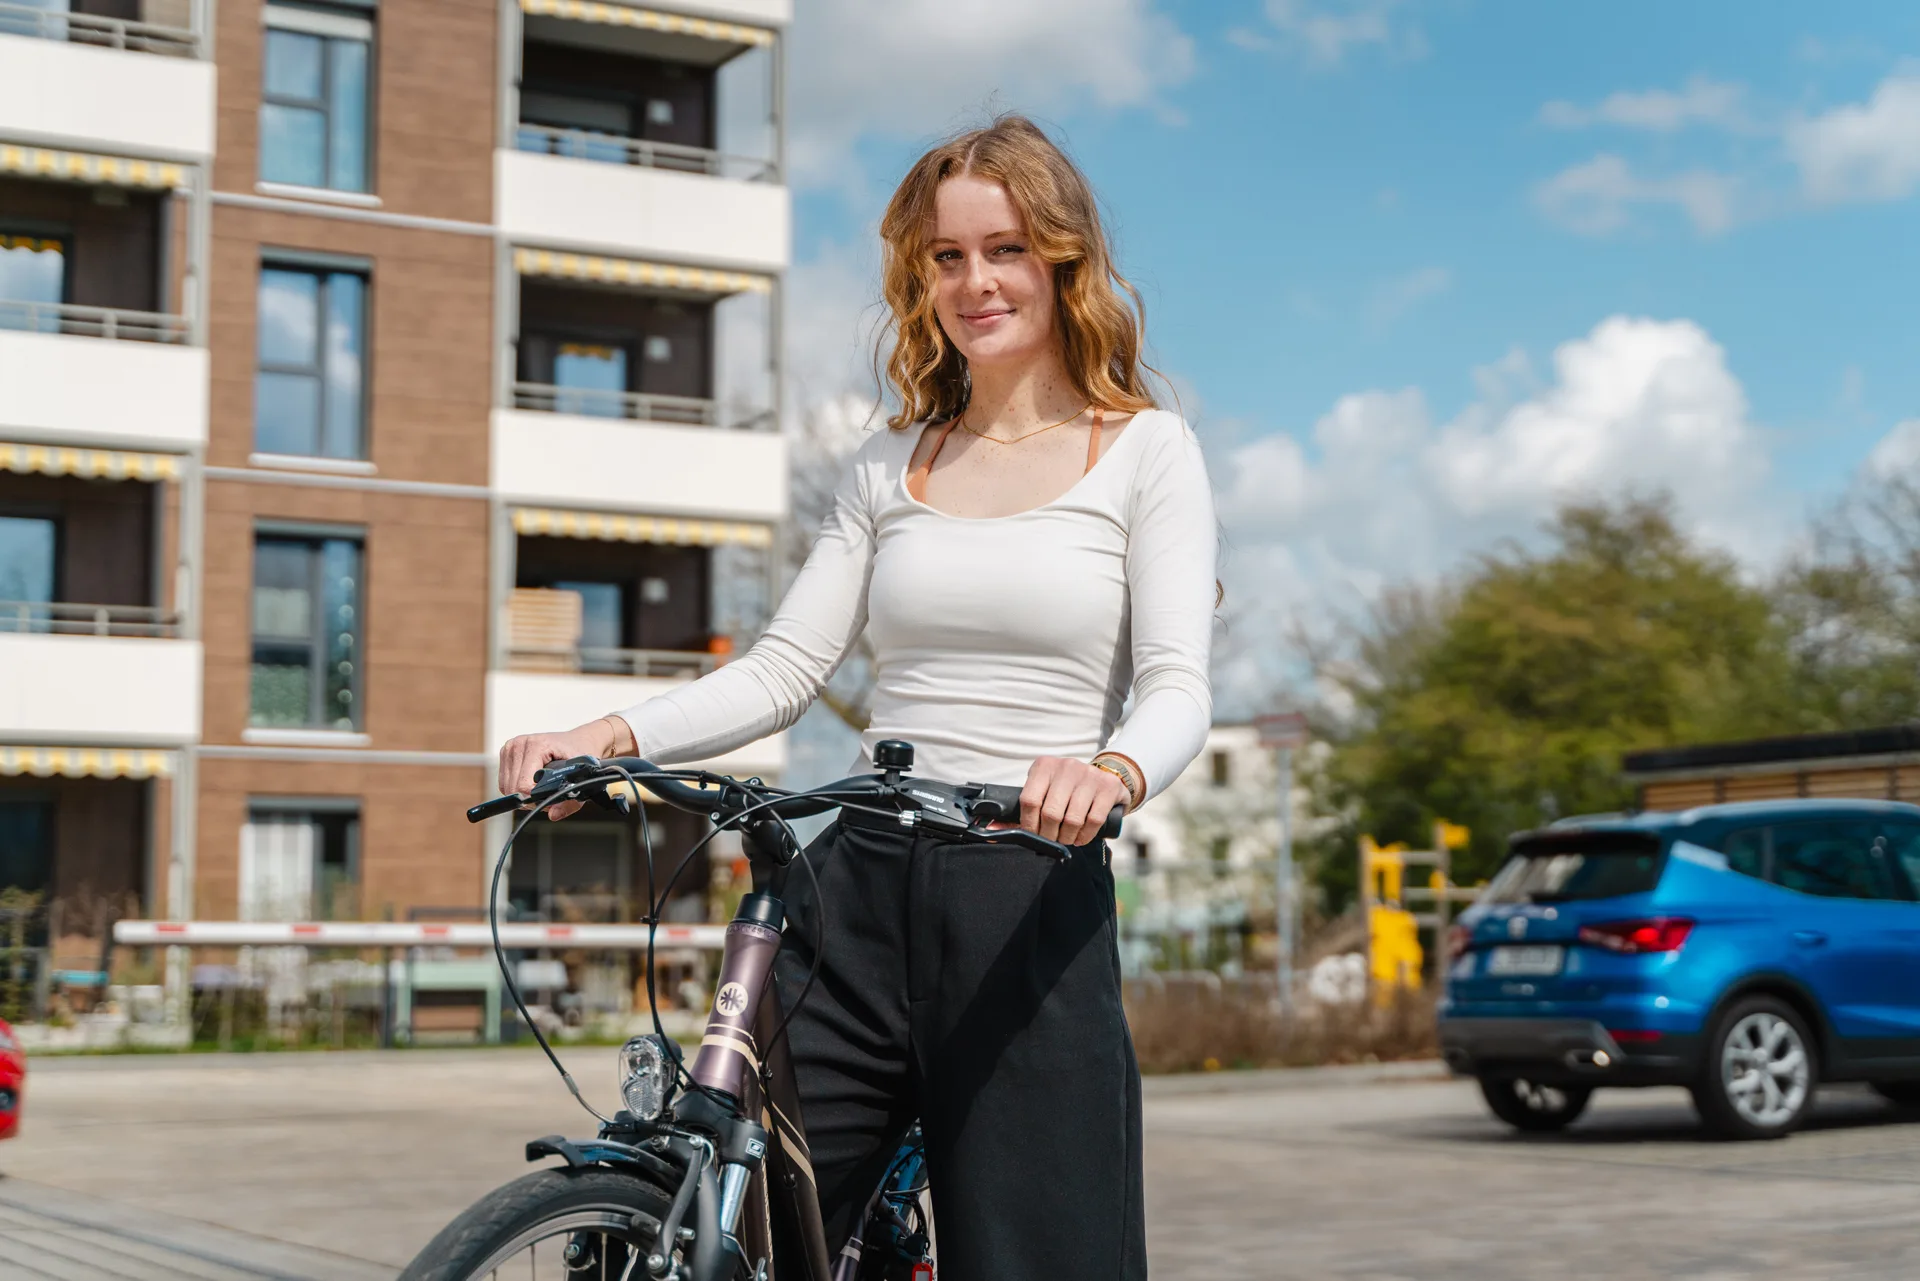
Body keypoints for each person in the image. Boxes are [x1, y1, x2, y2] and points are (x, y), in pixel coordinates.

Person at [498, 114, 1216, 1281]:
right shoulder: (890, 462)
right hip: (859, 888)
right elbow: (786, 669)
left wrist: (1112, 772)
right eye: (946, 258)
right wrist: (605, 736)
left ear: (1062, 261)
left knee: (1041, 1254)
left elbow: (1178, 684)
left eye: (1006, 249)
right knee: (746, 1217)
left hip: (1025, 888)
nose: (974, 282)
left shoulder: (1143, 452)